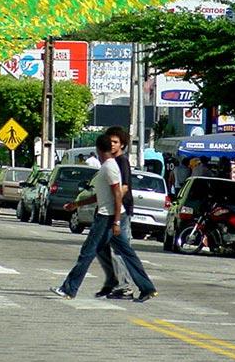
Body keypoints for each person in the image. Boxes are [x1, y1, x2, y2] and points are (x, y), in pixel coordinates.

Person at [49, 135, 157, 302]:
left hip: (107, 218)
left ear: (98, 149)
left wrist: (116, 221)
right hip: (110, 216)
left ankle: (68, 289)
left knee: (87, 253)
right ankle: (147, 288)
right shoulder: (107, 166)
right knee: (127, 254)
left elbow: (117, 195)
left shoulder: (109, 167)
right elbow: (101, 196)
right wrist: (77, 204)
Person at [95, 126, 134, 299]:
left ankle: (125, 287)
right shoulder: (109, 162)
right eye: (109, 141)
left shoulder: (121, 161)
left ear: (122, 145)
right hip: (109, 211)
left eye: (115, 142)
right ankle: (113, 281)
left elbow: (123, 188)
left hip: (121, 211)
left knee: (119, 250)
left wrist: (114, 211)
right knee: (101, 247)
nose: (112, 144)